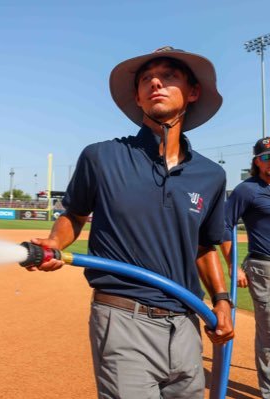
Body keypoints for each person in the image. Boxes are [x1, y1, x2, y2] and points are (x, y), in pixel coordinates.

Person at [26, 46, 234, 398]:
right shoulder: (102, 157)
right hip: (123, 317)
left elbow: (204, 245)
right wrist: (55, 244)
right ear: (137, 98)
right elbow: (74, 215)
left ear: (193, 92)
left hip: (186, 322)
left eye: (169, 76)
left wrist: (222, 300)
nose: (156, 82)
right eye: (146, 80)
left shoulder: (211, 175)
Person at [221, 137, 270, 398]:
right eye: (266, 157)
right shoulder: (247, 190)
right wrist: (233, 267)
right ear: (257, 162)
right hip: (264, 269)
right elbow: (224, 225)